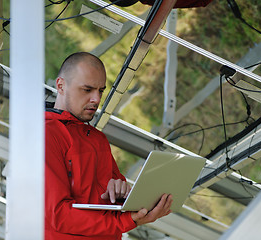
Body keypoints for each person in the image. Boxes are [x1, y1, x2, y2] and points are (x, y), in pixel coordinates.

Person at [45, 52, 173, 239]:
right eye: (87, 90)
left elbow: (114, 204)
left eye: (101, 90)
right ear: (61, 85)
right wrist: (126, 221)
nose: (96, 99)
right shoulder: (47, 134)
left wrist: (123, 196)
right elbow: (59, 214)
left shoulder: (97, 139)